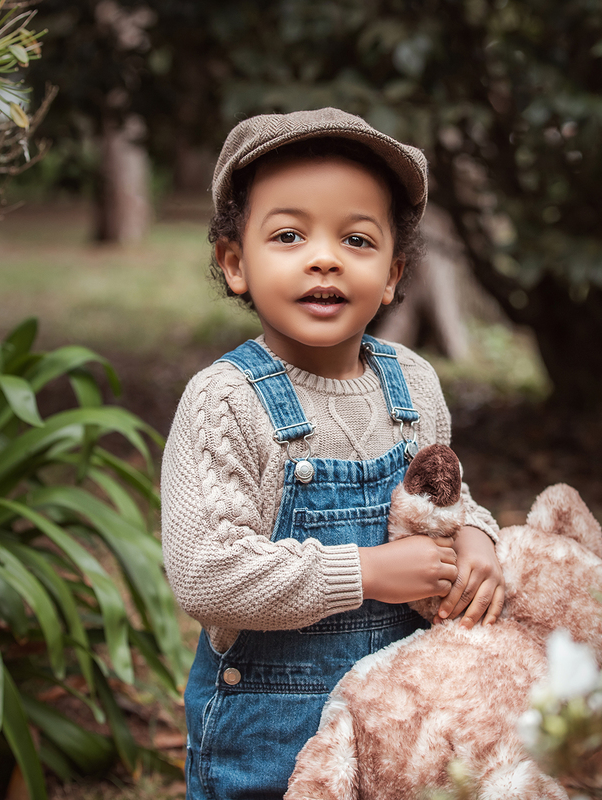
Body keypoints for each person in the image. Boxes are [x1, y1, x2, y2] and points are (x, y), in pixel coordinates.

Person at [161, 108, 505, 800]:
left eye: (356, 238)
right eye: (289, 235)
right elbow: (207, 572)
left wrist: (475, 537)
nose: (325, 257)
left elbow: (441, 501)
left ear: (391, 274)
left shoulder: (413, 384)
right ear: (235, 263)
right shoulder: (225, 402)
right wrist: (369, 572)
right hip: (268, 751)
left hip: (400, 728)